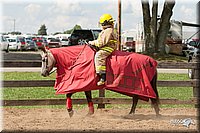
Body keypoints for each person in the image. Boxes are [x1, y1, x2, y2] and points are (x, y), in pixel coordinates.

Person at [89, 14, 117, 86]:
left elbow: (101, 43)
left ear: (104, 23)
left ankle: (102, 76)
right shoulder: (108, 30)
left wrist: (92, 42)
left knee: (99, 56)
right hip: (106, 46)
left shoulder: (108, 31)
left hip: (107, 48)